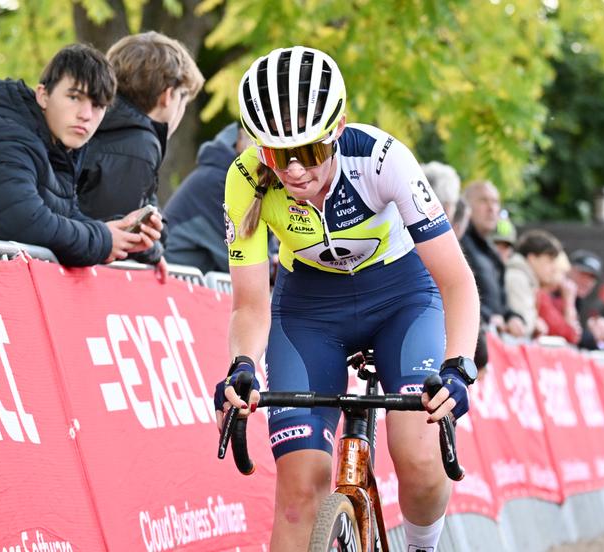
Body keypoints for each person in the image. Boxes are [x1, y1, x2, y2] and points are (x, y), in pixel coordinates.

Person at [212, 46, 480, 551]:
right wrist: (242, 363)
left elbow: (458, 283)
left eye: (309, 152)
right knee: (297, 494)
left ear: (336, 131)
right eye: (277, 154)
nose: (293, 171)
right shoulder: (244, 179)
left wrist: (458, 366)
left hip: (400, 299)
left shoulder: (381, 159)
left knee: (419, 458)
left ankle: (423, 547)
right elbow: (249, 305)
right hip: (309, 313)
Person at [0, 44, 161, 267]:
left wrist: (125, 234)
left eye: (98, 106)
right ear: (43, 95)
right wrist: (103, 239)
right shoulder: (3, 138)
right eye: (74, 97)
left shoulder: (59, 147)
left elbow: (66, 218)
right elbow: (26, 224)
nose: (86, 114)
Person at [77, 32, 204, 276]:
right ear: (168, 96)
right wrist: (153, 251)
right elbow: (120, 234)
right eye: (183, 100)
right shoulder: (137, 144)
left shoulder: (104, 125)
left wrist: (156, 231)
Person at [163, 123, 257, 272]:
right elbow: (242, 260)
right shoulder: (220, 182)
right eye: (256, 140)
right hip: (172, 278)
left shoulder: (237, 179)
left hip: (194, 280)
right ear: (239, 139)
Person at [460, 180, 526, 337]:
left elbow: (500, 305)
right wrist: (488, 317)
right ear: (467, 207)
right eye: (483, 200)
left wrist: (513, 318)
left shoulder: (492, 254)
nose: (491, 208)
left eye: (495, 202)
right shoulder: (457, 243)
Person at [504, 229, 562, 338]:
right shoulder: (517, 278)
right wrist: (534, 324)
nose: (554, 268)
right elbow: (520, 329)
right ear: (532, 258)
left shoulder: (525, 279)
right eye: (550, 260)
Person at [568, 249, 604, 350]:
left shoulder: (592, 307)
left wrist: (601, 340)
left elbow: (602, 348)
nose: (587, 281)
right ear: (569, 270)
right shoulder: (554, 296)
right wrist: (591, 337)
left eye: (592, 277)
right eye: (583, 274)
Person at [536, 252, 582, 344]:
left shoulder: (556, 299)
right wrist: (569, 301)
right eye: (562, 273)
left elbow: (576, 335)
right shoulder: (541, 296)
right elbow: (568, 333)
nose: (564, 280)